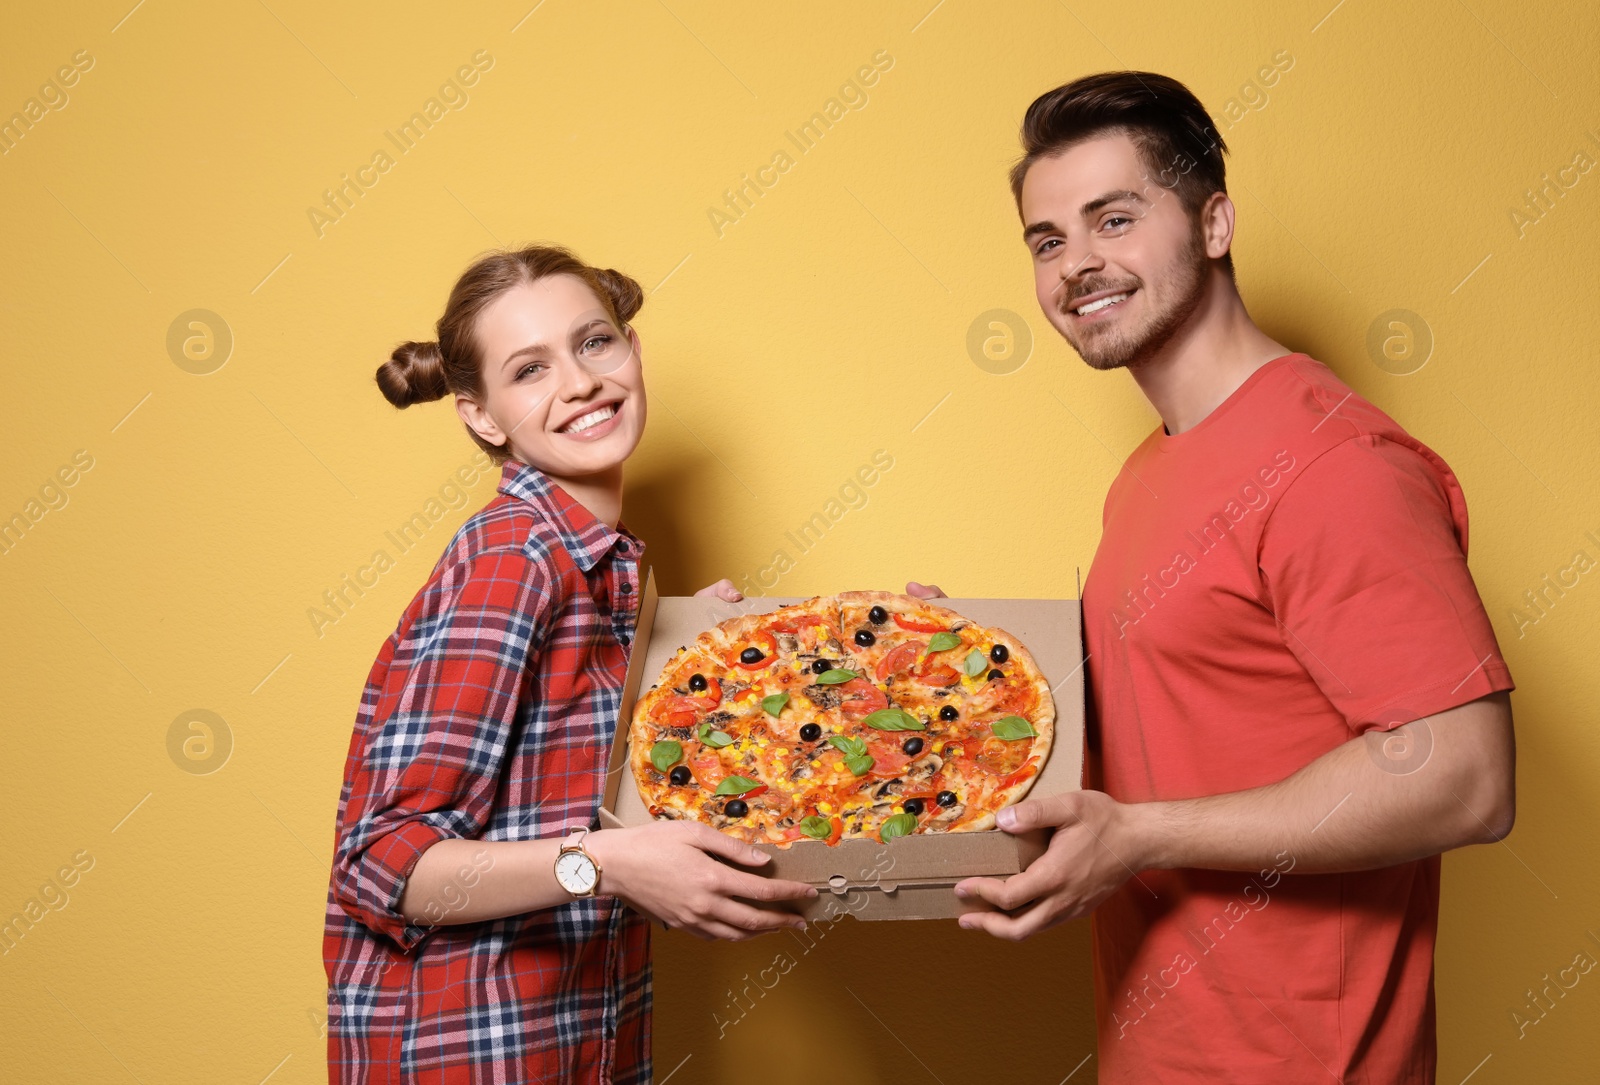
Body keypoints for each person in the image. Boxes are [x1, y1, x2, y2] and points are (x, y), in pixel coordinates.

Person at [925, 73, 1516, 1083]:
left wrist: (1141, 837)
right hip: (1166, 1049)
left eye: (1114, 218)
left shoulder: (1335, 467)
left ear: (1213, 222)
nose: (1077, 265)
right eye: (1047, 239)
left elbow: (1464, 776)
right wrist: (942, 660)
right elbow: (1176, 705)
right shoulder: (1155, 466)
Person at [323, 245, 816, 1084]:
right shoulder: (514, 559)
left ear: (632, 350)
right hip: (470, 1052)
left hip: (577, 1039)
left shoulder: (601, 571)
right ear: (481, 417)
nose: (581, 382)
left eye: (594, 343)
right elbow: (383, 860)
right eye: (529, 370)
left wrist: (703, 661)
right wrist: (611, 861)